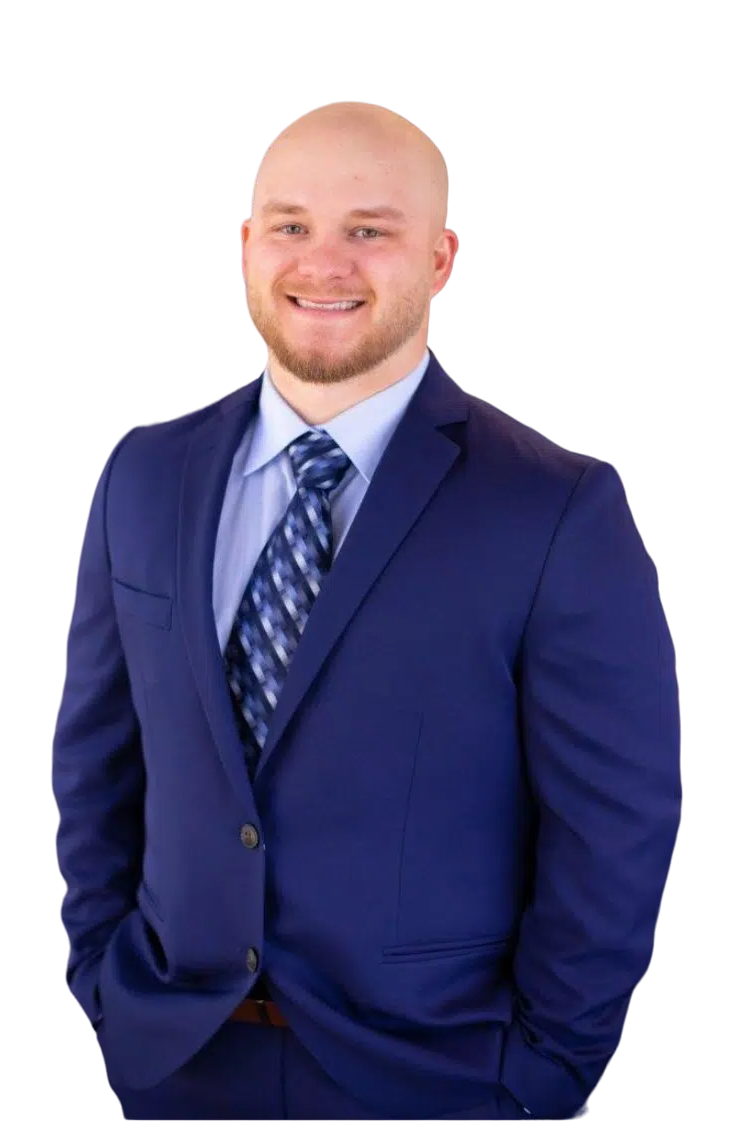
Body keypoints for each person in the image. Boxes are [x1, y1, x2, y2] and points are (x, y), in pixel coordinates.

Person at [51, 101, 682, 1121]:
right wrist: (101, 981)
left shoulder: (555, 506)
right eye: (293, 226)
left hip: (440, 1078)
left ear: (439, 263)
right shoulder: (143, 472)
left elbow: (614, 824)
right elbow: (95, 760)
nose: (325, 262)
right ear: (251, 249)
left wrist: (548, 1066)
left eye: (369, 229)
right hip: (175, 1062)